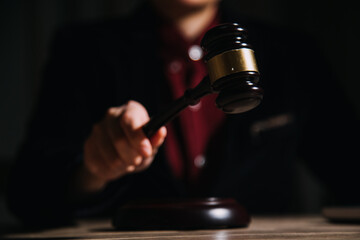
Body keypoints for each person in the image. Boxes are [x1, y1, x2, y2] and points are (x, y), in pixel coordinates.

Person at [7, 0, 360, 226]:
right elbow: (27, 194)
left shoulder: (293, 54)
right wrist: (93, 169)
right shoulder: (84, 51)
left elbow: (349, 169)